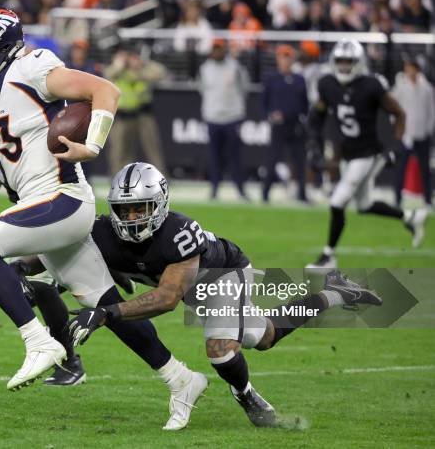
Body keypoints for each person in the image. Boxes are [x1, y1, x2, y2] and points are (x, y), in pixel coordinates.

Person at [0, 7, 205, 421]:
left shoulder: (33, 68)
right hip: (38, 205)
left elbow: (107, 91)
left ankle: (39, 341)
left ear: (0, 45)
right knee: (108, 305)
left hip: (64, 198)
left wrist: (94, 145)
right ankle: (181, 378)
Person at [62, 162, 383, 428]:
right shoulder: (102, 233)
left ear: (159, 204)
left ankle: (245, 393)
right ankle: (335, 293)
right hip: (193, 290)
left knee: (220, 350)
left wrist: (107, 312)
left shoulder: (178, 234)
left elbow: (168, 298)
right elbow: (62, 258)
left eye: (139, 209)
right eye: (125, 210)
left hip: (224, 274)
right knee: (265, 336)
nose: (132, 219)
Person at [306, 39, 428, 269]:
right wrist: (313, 145)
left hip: (369, 154)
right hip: (348, 154)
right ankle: (411, 217)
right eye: (340, 61)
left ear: (359, 62)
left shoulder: (371, 85)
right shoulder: (327, 84)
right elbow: (316, 117)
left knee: (337, 201)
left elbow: (399, 113)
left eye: (348, 61)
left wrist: (396, 145)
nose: (343, 66)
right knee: (363, 205)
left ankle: (328, 256)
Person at [104, 44, 167, 176]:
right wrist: (119, 65)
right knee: (119, 150)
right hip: (122, 116)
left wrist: (142, 64)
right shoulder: (118, 71)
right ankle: (118, 178)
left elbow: (160, 72)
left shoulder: (142, 69)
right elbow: (107, 74)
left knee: (152, 148)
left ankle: (161, 177)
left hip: (142, 114)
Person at [198, 39, 249, 200]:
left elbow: (244, 88)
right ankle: (214, 189)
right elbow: (201, 89)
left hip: (232, 117)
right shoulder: (204, 69)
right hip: (213, 117)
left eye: (219, 49)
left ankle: (240, 189)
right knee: (214, 157)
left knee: (236, 157)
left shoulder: (235, 67)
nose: (217, 52)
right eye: (214, 49)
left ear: (224, 50)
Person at [262, 44, 309, 203]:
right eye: (282, 56)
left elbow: (304, 104)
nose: (285, 60)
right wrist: (270, 115)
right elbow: (264, 102)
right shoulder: (272, 79)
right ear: (278, 59)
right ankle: (265, 194)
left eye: (288, 56)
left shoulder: (299, 79)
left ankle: (302, 194)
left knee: (300, 161)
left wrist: (303, 119)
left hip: (295, 125)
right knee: (272, 159)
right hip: (279, 126)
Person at [391, 56, 435, 208]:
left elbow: (431, 111)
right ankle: (397, 199)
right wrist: (399, 128)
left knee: (425, 169)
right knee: (400, 168)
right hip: (406, 135)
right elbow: (392, 107)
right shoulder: (401, 86)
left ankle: (428, 200)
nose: (408, 72)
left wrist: (428, 129)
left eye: (411, 68)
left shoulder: (427, 88)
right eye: (407, 69)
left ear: (417, 70)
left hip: (422, 135)